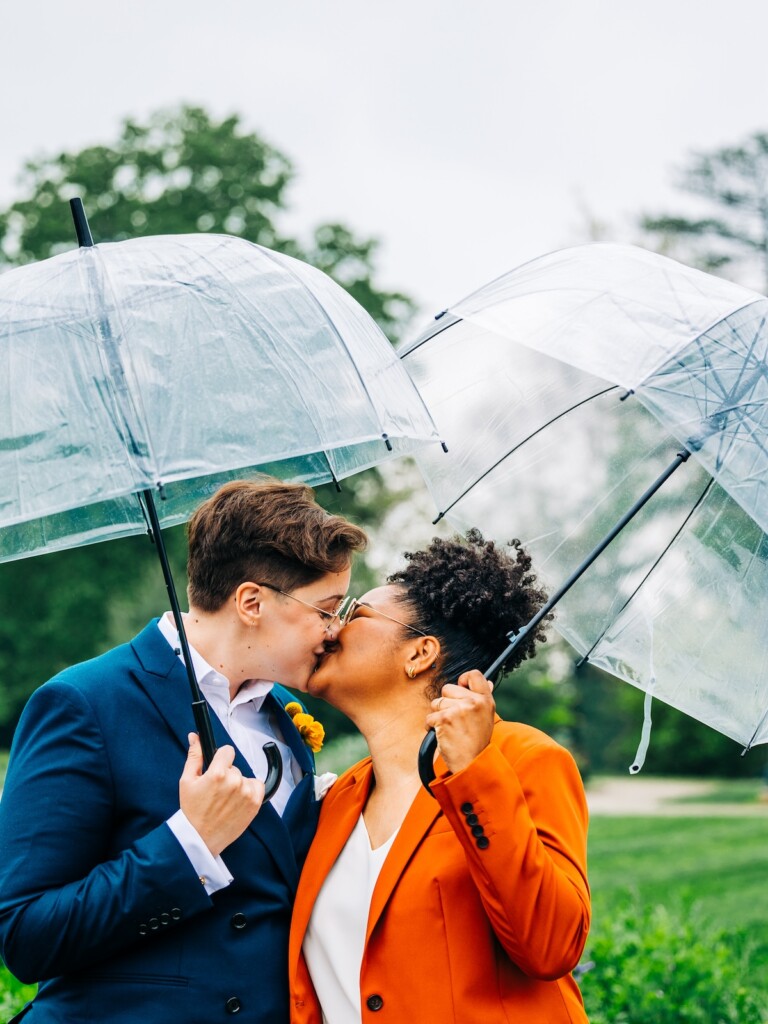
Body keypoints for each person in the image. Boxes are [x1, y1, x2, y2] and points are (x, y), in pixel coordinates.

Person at [0, 479, 367, 1024]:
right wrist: (190, 844)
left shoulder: (285, 715)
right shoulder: (84, 703)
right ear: (251, 602)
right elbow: (26, 934)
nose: (335, 631)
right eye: (326, 609)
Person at [289, 529, 590, 1024]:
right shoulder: (340, 798)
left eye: (356, 614)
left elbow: (553, 946)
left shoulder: (522, 759)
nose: (332, 627)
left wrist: (473, 772)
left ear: (419, 654)